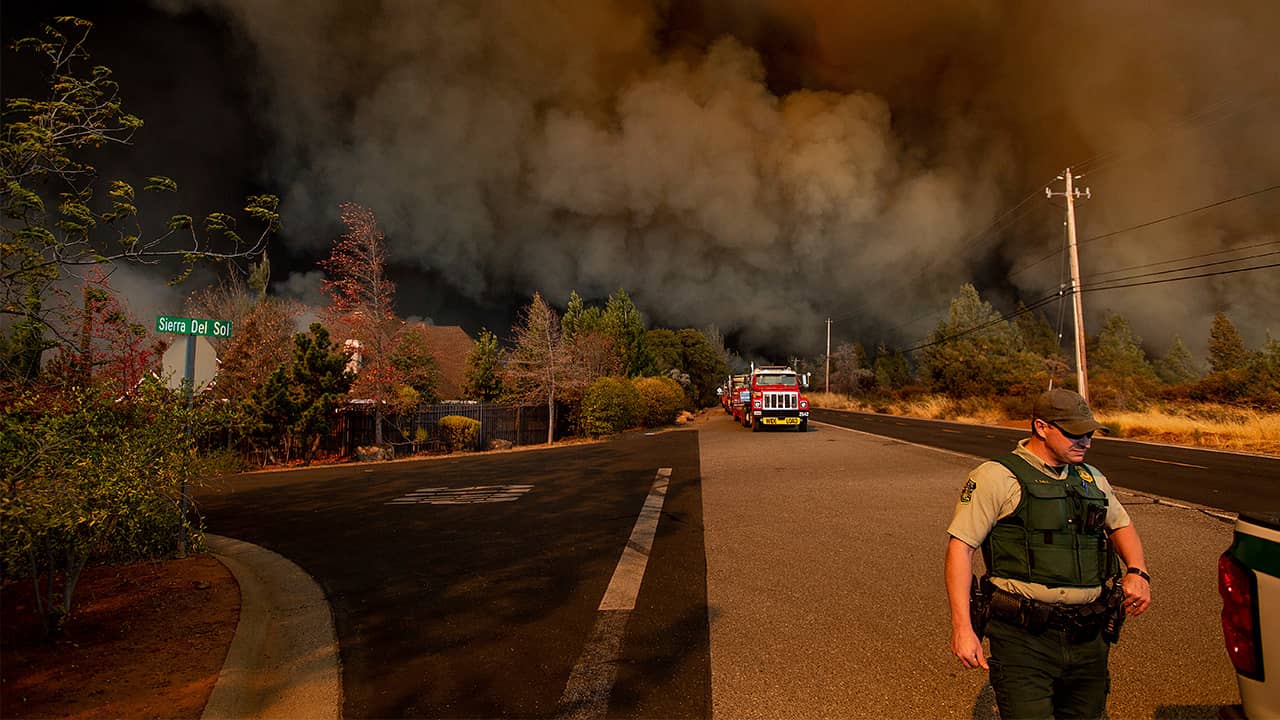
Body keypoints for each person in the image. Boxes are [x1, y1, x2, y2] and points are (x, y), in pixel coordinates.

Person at [944, 388, 1151, 720]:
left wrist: (1137, 571)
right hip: (1024, 638)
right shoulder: (997, 476)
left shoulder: (1092, 478)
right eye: (1074, 433)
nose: (1085, 442)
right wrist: (962, 628)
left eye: (1089, 434)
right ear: (1041, 427)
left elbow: (1121, 526)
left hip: (1089, 636)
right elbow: (960, 548)